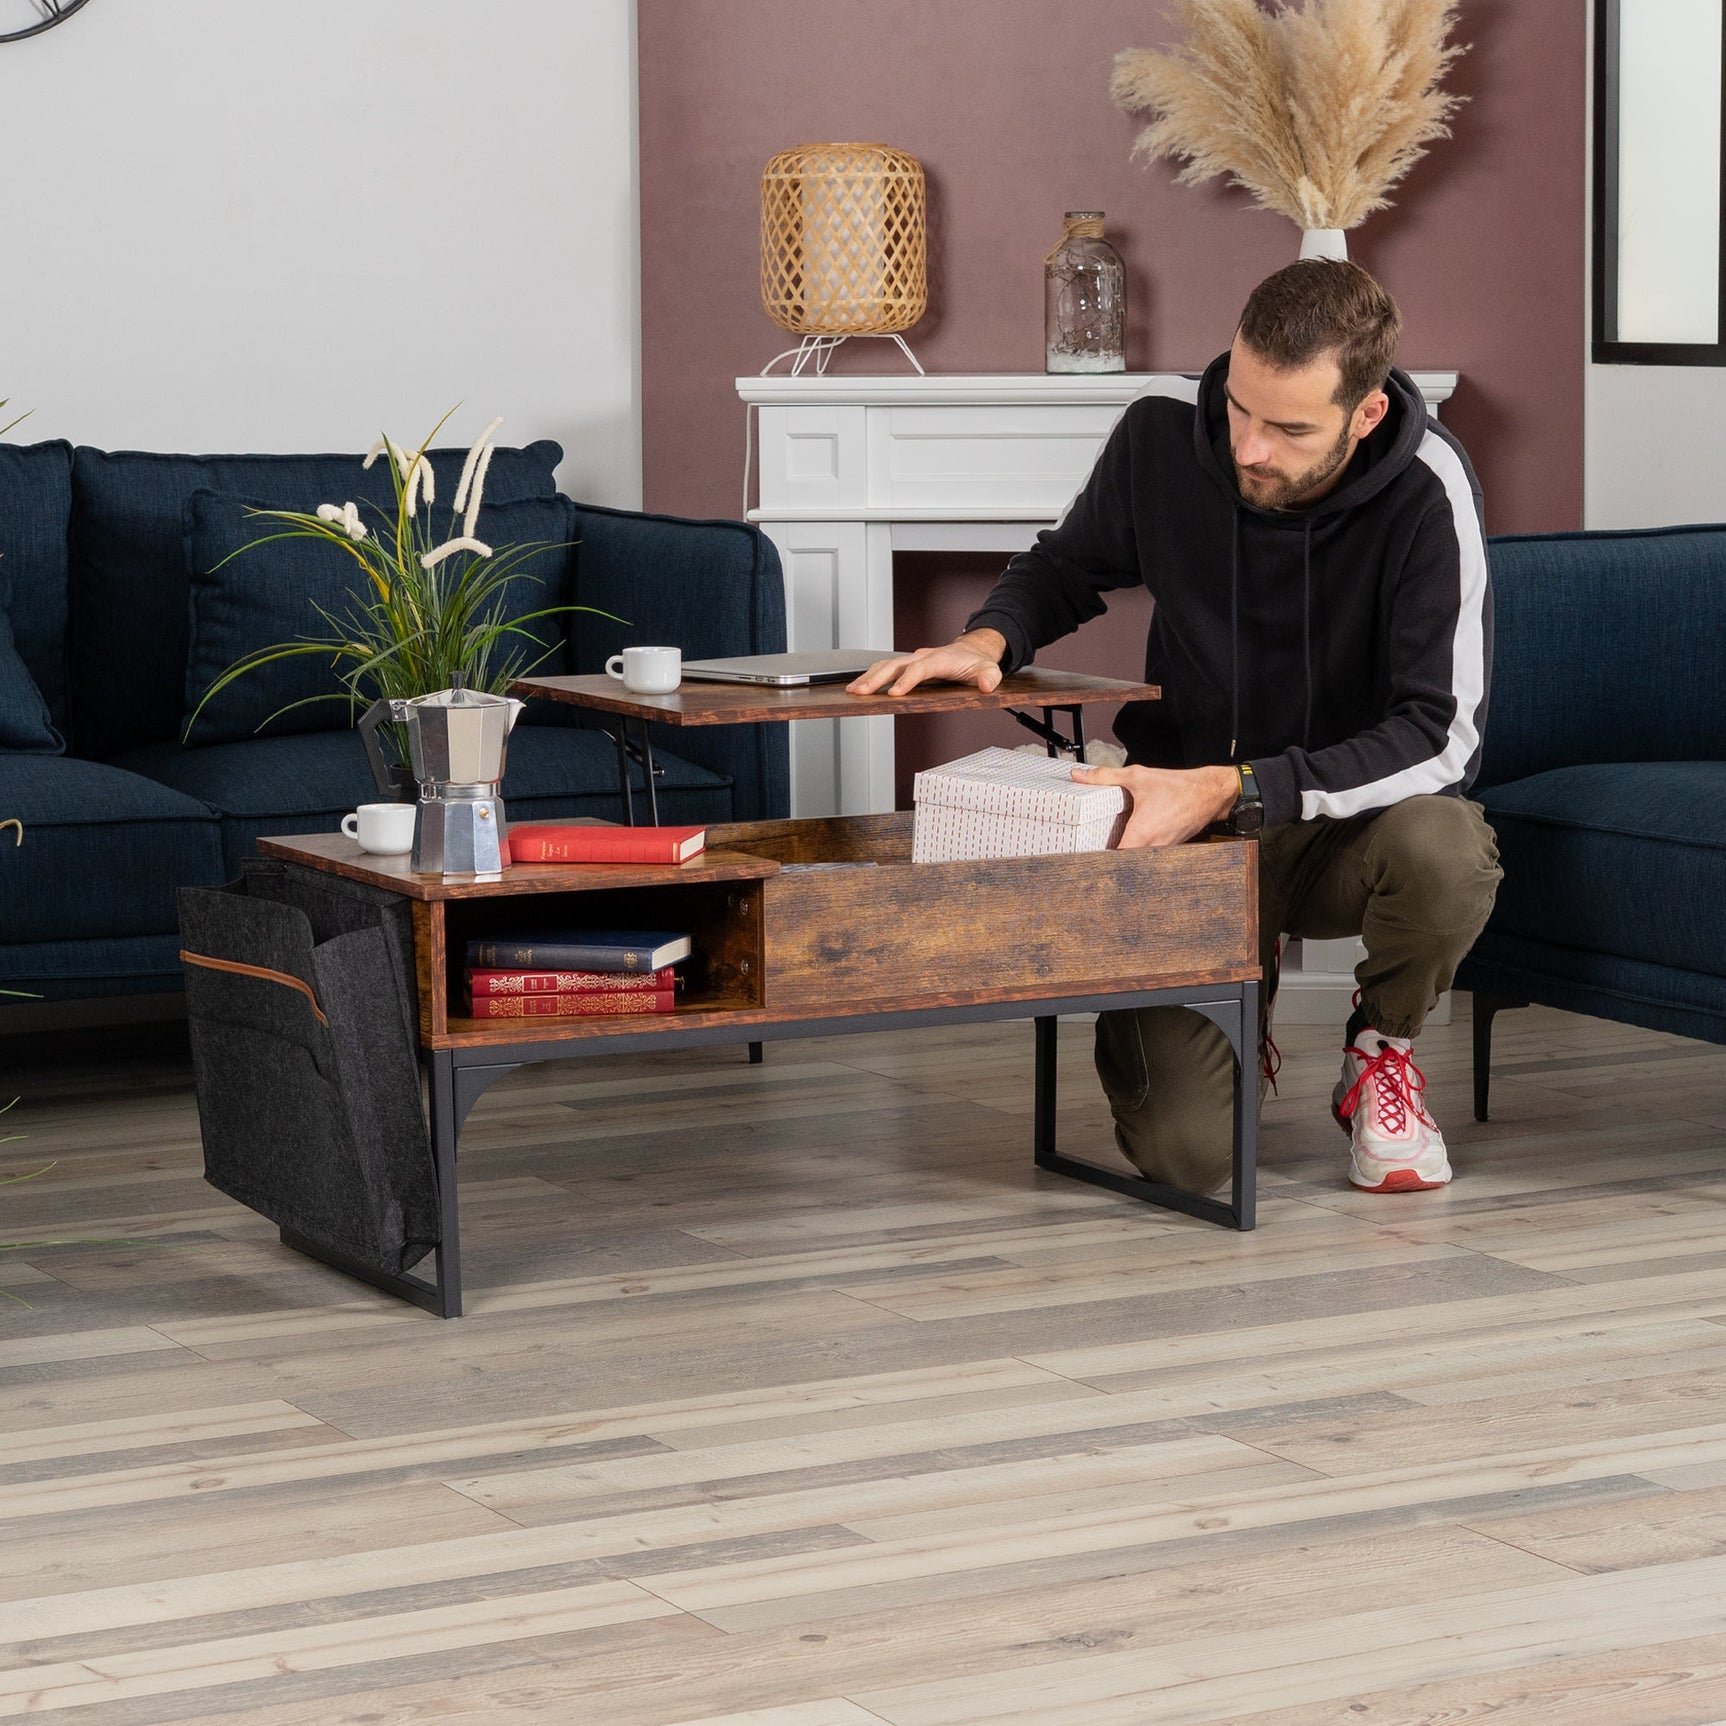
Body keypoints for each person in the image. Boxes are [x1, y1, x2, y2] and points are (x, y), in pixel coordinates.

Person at [849, 258, 1501, 1196]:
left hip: (1337, 835)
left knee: (1449, 848)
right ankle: (1245, 1013)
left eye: (1288, 428)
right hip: (1176, 830)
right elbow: (1066, 566)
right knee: (1190, 1161)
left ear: (1364, 417)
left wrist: (1240, 785)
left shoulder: (1430, 486)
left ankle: (1382, 1050)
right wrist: (985, 639)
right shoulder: (1163, 433)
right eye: (1241, 407)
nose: (1248, 448)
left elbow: (1444, 735)